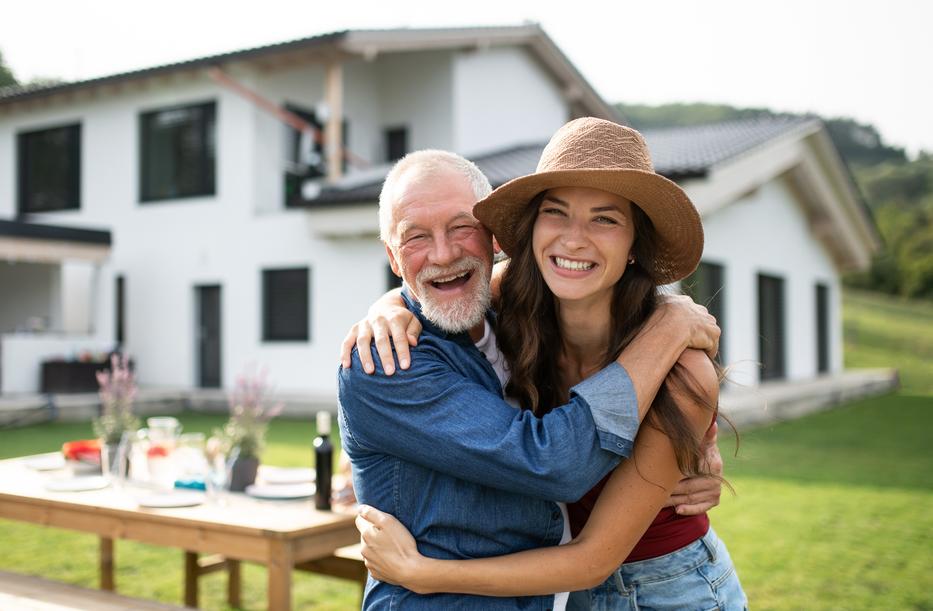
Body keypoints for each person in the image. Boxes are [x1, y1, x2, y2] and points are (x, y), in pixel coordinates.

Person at [351, 118, 747, 609]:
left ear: (633, 247)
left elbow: (593, 558)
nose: (574, 239)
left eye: (605, 219)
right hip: (564, 592)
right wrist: (384, 309)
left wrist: (425, 574)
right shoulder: (516, 305)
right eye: (556, 213)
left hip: (669, 589)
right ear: (531, 229)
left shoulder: (681, 373)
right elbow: (439, 281)